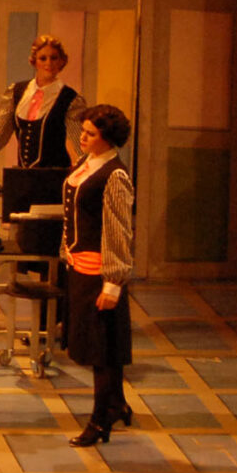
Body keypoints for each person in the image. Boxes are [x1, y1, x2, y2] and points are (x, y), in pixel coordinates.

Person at [60, 104, 136, 447]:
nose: (83, 137)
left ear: (107, 138)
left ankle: (99, 420)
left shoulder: (114, 175)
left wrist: (113, 283)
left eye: (90, 133)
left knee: (101, 352)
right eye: (84, 131)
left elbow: (118, 231)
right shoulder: (86, 162)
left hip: (99, 273)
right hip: (79, 267)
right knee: (102, 346)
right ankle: (117, 404)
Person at [0, 33, 85, 178]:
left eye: (54, 58)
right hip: (23, 177)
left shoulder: (70, 99)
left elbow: (82, 143)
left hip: (55, 178)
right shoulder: (16, 93)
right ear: (34, 61)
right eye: (43, 58)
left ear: (61, 61)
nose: (48, 63)